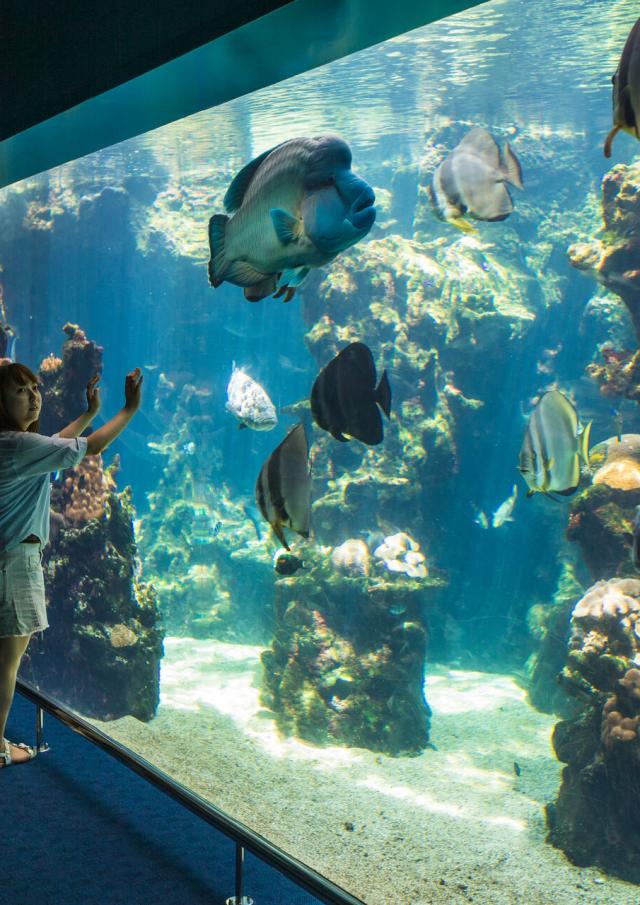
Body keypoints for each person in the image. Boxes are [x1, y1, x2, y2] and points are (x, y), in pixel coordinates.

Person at [0, 362, 143, 767]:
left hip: (6, 560)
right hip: (14, 565)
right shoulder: (18, 446)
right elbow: (90, 448)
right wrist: (128, 409)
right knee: (7, 664)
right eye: (20, 390)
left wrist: (89, 413)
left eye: (35, 387)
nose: (33, 395)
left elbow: (54, 443)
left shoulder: (13, 445)